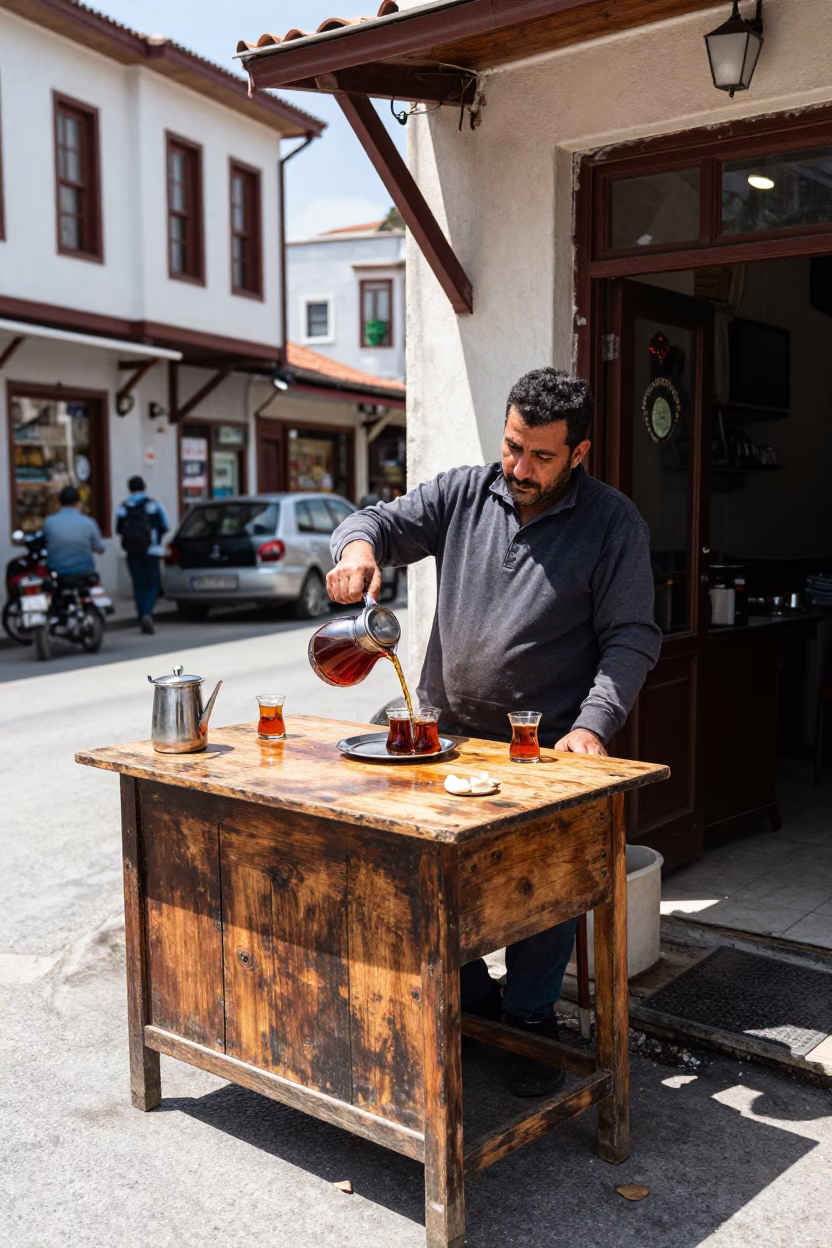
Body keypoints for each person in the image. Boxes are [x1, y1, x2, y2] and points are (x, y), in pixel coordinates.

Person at [327, 367, 662, 1097]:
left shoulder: (613, 524)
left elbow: (632, 637)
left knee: (540, 889)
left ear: (579, 453)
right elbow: (377, 522)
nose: (520, 468)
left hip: (542, 750)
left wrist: (594, 726)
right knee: (416, 873)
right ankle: (474, 993)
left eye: (541, 456)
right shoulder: (462, 493)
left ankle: (531, 1019)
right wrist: (356, 549)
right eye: (512, 447)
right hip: (443, 735)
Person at [115, 476, 170, 635]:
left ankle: (142, 618)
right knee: (152, 584)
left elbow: (118, 529)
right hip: (152, 551)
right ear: (144, 487)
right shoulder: (153, 504)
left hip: (132, 551)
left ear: (129, 488)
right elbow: (165, 526)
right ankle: (147, 613)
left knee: (139, 584)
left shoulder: (123, 507)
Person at [43, 485, 105, 578]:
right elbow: (100, 548)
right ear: (79, 503)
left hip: (58, 574)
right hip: (84, 573)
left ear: (60, 503)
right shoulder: (89, 522)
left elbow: (45, 543)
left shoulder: (49, 522)